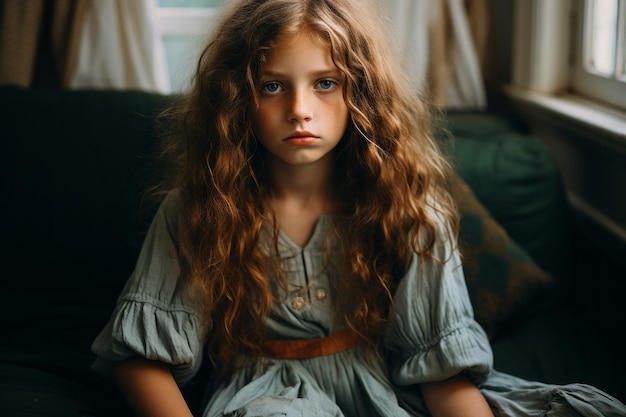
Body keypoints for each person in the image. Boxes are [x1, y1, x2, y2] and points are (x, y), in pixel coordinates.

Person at [92, 0, 626, 416]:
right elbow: (143, 361)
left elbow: (440, 372)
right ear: (237, 100)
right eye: (272, 86)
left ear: (361, 95)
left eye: (326, 84)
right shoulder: (200, 212)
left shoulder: (410, 214)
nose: (300, 110)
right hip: (264, 398)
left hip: (390, 390)